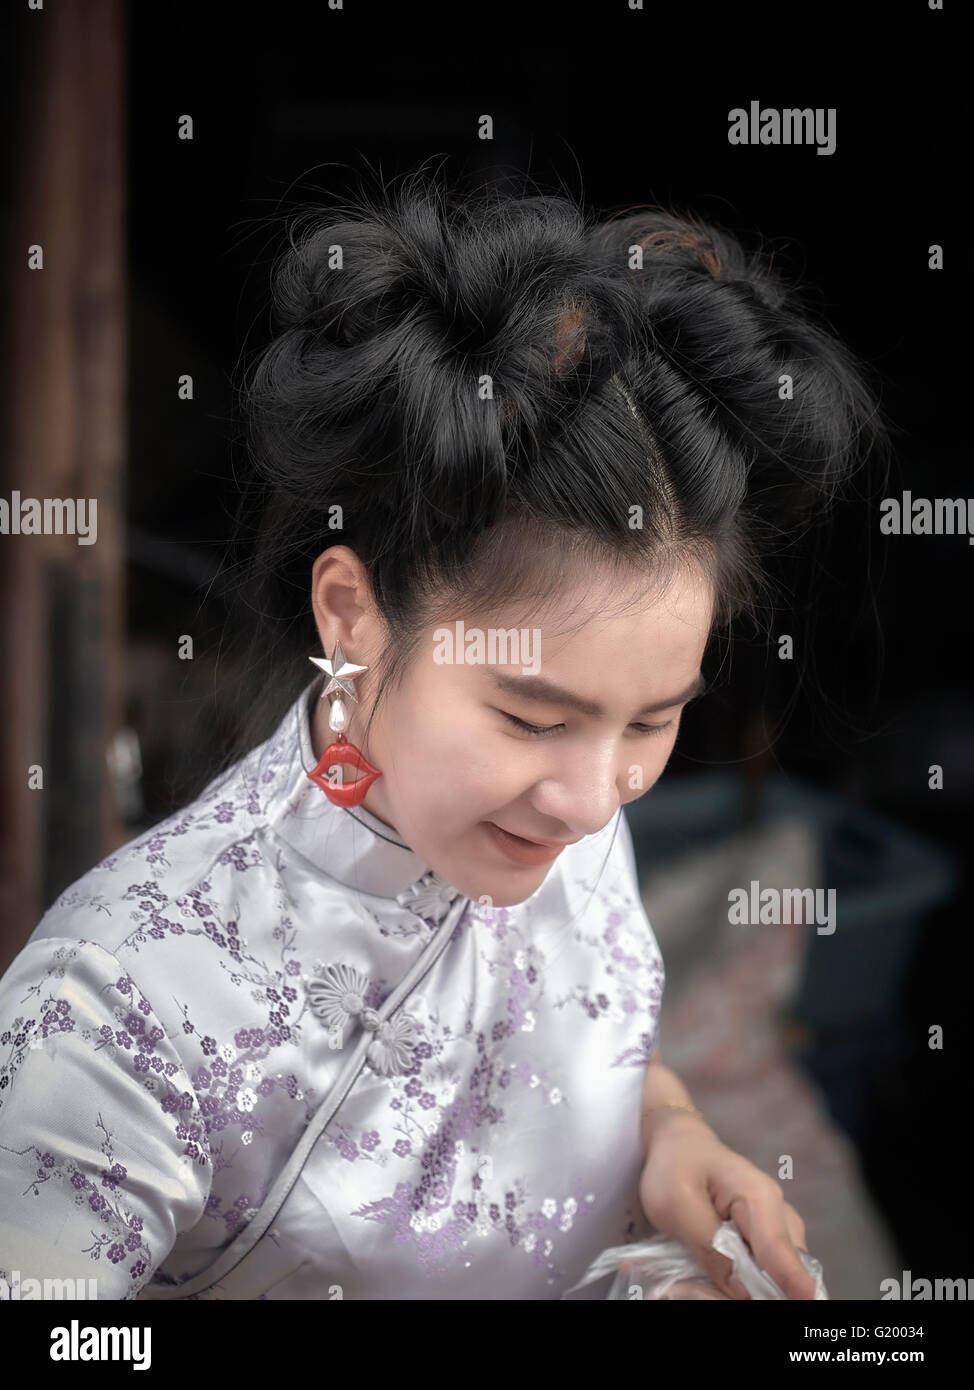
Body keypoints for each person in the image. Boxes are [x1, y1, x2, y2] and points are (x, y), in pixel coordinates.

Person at [0, 169, 884, 1300]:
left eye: (651, 720)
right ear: (350, 613)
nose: (592, 794)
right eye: (530, 715)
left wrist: (665, 1140)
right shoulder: (117, 1006)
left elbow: (586, 1045)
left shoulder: (558, 821)